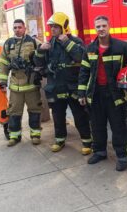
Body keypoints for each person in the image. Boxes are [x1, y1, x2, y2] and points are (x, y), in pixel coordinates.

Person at [78, 15, 127, 171]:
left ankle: (122, 156)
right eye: (98, 27)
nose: (101, 29)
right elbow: (84, 72)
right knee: (97, 126)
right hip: (96, 94)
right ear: (95, 29)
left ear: (109, 27)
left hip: (116, 95)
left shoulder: (122, 47)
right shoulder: (89, 49)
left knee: (118, 127)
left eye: (103, 26)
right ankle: (100, 152)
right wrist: (82, 94)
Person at [34, 12, 92, 154]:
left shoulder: (75, 41)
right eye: (51, 27)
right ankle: (60, 139)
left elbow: (81, 57)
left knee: (79, 115)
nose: (52, 29)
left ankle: (87, 142)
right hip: (56, 86)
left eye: (55, 26)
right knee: (58, 115)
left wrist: (66, 42)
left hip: (72, 86)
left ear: (64, 27)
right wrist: (40, 51)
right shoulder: (49, 44)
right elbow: (38, 63)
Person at [0, 19, 42, 147]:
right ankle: (14, 136)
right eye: (15, 27)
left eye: (19, 27)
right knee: (14, 111)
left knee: (34, 110)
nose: (17, 30)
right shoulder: (8, 43)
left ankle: (35, 135)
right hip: (15, 85)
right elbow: (3, 63)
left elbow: (43, 54)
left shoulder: (33, 41)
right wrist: (2, 82)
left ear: (25, 28)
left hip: (31, 84)